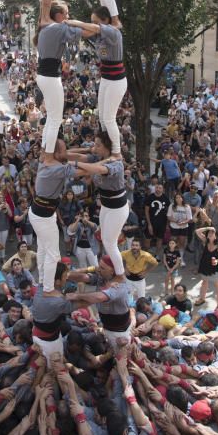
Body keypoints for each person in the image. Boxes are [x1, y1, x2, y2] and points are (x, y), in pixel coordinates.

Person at [66, 7, 126, 154]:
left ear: (106, 21)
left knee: (109, 118)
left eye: (96, 22)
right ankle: (107, 144)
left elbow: (91, 28)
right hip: (106, 78)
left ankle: (116, 152)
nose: (92, 24)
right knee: (102, 117)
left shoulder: (113, 33)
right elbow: (84, 32)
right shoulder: (98, 36)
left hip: (116, 81)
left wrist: (72, 21)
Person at [70, 131, 128, 278]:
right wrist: (59, 155)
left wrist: (75, 164)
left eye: (98, 145)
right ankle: (109, 267)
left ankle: (121, 276)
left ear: (108, 146)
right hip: (106, 206)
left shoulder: (116, 163)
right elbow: (79, 157)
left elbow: (99, 169)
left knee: (110, 243)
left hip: (117, 208)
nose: (94, 148)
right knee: (103, 237)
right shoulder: (99, 157)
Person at [28, 138, 76, 295]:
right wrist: (103, 165)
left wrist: (88, 152)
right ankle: (48, 289)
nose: (66, 152)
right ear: (55, 153)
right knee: (54, 255)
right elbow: (82, 169)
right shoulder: (55, 168)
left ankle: (42, 280)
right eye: (63, 150)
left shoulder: (48, 161)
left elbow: (71, 156)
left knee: (43, 247)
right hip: (42, 216)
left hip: (42, 214)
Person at [35, 1, 82, 156]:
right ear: (59, 15)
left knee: (52, 118)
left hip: (44, 75)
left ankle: (44, 149)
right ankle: (48, 154)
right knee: (56, 119)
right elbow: (82, 32)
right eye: (67, 14)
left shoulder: (46, 28)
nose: (68, 17)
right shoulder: (58, 28)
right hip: (50, 77)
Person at [67, 254, 131, 351]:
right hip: (106, 326)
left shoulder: (120, 286)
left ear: (112, 271)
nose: (98, 269)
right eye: (98, 266)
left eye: (102, 268)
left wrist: (77, 295)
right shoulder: (103, 277)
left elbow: (99, 297)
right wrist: (90, 269)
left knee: (117, 358)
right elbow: (82, 277)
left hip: (119, 334)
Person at [31, 261, 72, 364]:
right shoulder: (57, 301)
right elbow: (81, 303)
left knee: (60, 359)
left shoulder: (43, 286)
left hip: (54, 335)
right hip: (46, 343)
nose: (67, 278)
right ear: (57, 281)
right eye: (64, 276)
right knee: (52, 370)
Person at [195, 226, 218, 307]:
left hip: (214, 269)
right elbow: (197, 231)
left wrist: (217, 261)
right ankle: (202, 298)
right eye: (209, 233)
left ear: (216, 235)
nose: (210, 234)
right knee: (204, 282)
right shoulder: (206, 241)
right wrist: (208, 228)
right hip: (204, 266)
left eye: (212, 233)